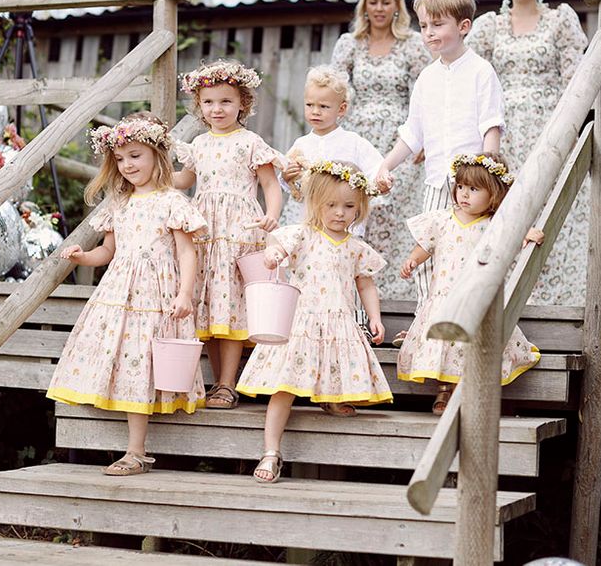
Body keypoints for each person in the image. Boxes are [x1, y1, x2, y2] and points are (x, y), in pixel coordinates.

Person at [47, 112, 208, 475]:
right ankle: (130, 445)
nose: (127, 165)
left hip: (157, 294)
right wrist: (83, 256)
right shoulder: (120, 204)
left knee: (143, 359)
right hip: (121, 291)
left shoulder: (173, 202)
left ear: (157, 155)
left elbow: (186, 251)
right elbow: (108, 251)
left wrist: (185, 294)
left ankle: (136, 452)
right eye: (120, 159)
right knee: (125, 357)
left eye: (135, 156)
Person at [236, 161, 393, 483]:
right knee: (285, 388)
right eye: (331, 205)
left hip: (338, 322)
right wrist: (274, 256)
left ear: (360, 208)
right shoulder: (304, 235)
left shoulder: (355, 248)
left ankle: (329, 400)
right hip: (302, 323)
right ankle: (271, 450)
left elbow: (365, 283)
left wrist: (374, 317)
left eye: (349, 206)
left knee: (334, 370)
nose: (339, 213)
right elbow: (278, 247)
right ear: (315, 205)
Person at [466, 0, 589, 306]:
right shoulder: (491, 26)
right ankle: (503, 296)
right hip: (504, 131)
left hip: (548, 126)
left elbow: (574, 77)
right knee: (506, 203)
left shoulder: (559, 21)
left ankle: (554, 300)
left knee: (550, 203)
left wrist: (569, 126)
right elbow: (474, 77)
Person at [376, 0, 505, 318]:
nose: (429, 33)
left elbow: (491, 125)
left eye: (437, 24)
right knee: (426, 257)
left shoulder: (481, 71)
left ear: (463, 27)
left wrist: (489, 175)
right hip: (436, 185)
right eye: (423, 27)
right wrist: (385, 166)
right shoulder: (426, 78)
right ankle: (426, 323)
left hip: (471, 185)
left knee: (466, 257)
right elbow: (412, 135)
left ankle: (467, 321)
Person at [397, 153, 542, 414]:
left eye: (474, 189)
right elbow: (425, 245)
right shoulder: (442, 219)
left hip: (474, 300)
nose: (464, 194)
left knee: (466, 349)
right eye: (461, 187)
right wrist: (412, 260)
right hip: (443, 299)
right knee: (443, 346)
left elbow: (513, 237)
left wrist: (527, 233)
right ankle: (443, 391)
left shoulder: (493, 225)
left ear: (493, 194)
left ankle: (461, 393)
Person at [176, 60, 284, 410]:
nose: (217, 109)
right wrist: (156, 170)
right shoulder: (199, 144)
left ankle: (228, 383)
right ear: (199, 107)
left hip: (239, 230)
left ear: (243, 104)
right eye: (208, 102)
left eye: (225, 101)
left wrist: (271, 215)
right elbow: (184, 182)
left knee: (232, 300)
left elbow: (270, 184)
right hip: (206, 229)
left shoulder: (251, 142)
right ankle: (214, 381)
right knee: (208, 302)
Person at [332, 0, 432, 301]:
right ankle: (354, 290)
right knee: (356, 209)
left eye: (385, 2)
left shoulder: (412, 44)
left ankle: (395, 293)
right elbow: (334, 88)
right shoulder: (350, 44)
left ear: (396, 7)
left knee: (393, 213)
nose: (378, 8)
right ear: (365, 6)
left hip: (398, 140)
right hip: (358, 138)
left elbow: (426, 92)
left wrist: (425, 137)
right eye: (373, 2)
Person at [280, 65, 384, 234]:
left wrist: (380, 181)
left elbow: (377, 169)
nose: (315, 111)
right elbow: (292, 184)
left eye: (324, 106)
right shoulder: (301, 144)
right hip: (308, 219)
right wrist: (286, 176)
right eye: (309, 105)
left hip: (341, 220)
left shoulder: (353, 142)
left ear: (341, 109)